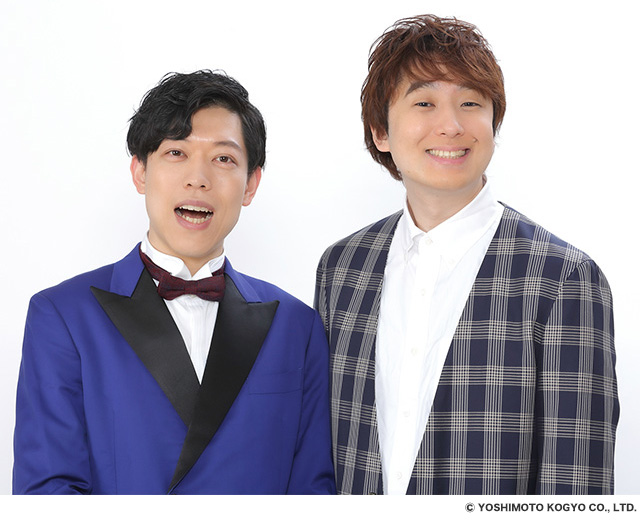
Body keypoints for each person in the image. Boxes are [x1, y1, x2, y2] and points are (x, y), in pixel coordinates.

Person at [314, 15, 618, 495]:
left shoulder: (563, 278)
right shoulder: (342, 267)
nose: (451, 126)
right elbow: (322, 454)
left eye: (471, 103)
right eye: (424, 102)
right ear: (380, 131)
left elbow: (577, 482)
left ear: (494, 125)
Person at [14, 70, 335, 495]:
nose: (198, 178)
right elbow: (47, 493)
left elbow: (313, 491)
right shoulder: (63, 316)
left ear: (251, 184)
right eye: (176, 152)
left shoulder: (297, 326)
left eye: (223, 159)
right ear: (140, 172)